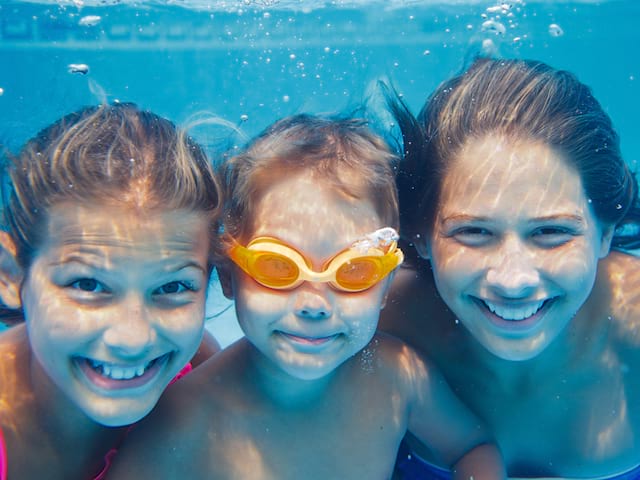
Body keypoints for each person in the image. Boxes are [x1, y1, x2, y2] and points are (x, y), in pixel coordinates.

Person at [107, 114, 506, 480]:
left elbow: (470, 447)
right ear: (229, 276)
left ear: (385, 284)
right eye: (278, 267)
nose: (315, 304)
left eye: (354, 270)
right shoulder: (184, 417)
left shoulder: (396, 376)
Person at [379, 57, 640, 479]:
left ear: (604, 234)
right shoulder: (373, 328)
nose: (513, 279)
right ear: (421, 235)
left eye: (551, 232)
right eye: (475, 231)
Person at [0, 102, 223, 479]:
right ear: (10, 274)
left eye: (172, 286)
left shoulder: (197, 368)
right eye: (87, 284)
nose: (132, 339)